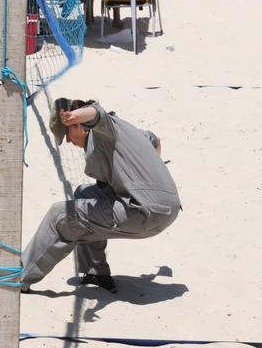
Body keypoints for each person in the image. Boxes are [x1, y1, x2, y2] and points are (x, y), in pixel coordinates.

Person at [20, 99, 180, 293]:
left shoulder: (103, 129)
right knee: (82, 195)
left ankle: (18, 278)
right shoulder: (124, 129)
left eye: (68, 132)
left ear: (81, 125)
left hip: (147, 212)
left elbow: (97, 113)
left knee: (60, 215)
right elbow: (154, 140)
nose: (68, 141)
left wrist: (74, 116)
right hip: (166, 207)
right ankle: (97, 273)